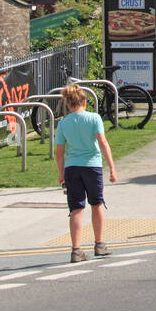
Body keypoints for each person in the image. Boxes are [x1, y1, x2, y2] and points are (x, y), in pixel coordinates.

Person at [53, 82, 117, 262]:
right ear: (84, 101)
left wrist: (61, 173)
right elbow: (103, 143)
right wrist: (111, 167)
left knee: (76, 208)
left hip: (72, 168)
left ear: (68, 104)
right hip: (92, 166)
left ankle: (76, 249)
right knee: (96, 204)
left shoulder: (63, 124)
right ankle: (99, 244)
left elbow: (59, 151)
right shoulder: (94, 118)